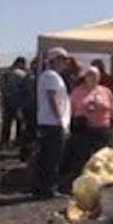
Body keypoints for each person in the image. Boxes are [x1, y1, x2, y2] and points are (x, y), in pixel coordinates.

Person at [63, 67, 113, 186]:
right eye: (90, 74)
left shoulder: (106, 91)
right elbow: (69, 109)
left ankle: (102, 181)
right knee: (82, 157)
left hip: (103, 128)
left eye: (95, 75)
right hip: (83, 130)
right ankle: (82, 183)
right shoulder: (77, 91)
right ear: (85, 77)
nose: (93, 77)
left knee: (103, 157)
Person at [34, 48, 72, 199]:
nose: (65, 62)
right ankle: (48, 188)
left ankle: (42, 187)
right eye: (62, 59)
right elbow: (52, 98)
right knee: (52, 157)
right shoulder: (51, 76)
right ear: (54, 60)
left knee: (47, 156)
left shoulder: (51, 76)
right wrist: (60, 119)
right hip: (53, 123)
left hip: (49, 122)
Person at [0, 57, 28, 149]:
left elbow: (1, 87)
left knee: (7, 123)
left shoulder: (6, 73)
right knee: (19, 122)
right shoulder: (22, 74)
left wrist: (4, 97)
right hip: (18, 101)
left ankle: (3, 142)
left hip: (7, 100)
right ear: (21, 63)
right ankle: (17, 141)